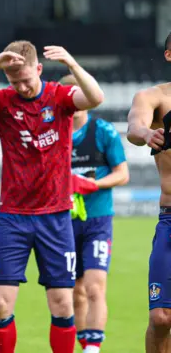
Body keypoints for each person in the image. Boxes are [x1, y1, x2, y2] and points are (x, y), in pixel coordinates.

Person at [0, 41, 104, 352]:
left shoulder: (59, 96)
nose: (23, 86)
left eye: (27, 79)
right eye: (14, 81)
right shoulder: (3, 101)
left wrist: (72, 62)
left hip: (55, 216)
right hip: (12, 218)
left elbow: (96, 97)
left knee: (62, 304)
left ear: (39, 69)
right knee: (1, 305)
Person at [60, 74, 129, 353]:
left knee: (95, 287)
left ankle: (93, 349)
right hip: (63, 222)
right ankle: (83, 344)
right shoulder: (54, 136)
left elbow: (122, 174)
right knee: (75, 292)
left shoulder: (103, 132)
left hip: (98, 220)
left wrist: (92, 184)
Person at [126, 31, 171, 353]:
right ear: (169, 55)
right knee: (160, 317)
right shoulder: (153, 97)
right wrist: (146, 132)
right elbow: (134, 128)